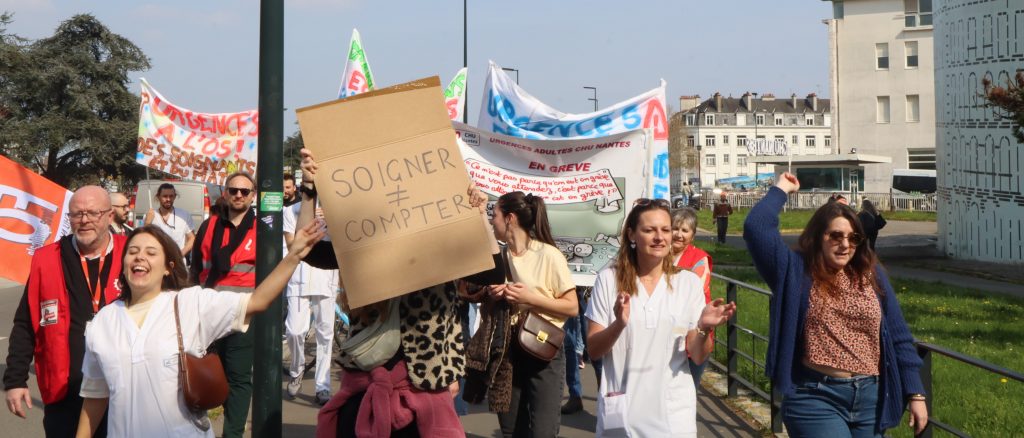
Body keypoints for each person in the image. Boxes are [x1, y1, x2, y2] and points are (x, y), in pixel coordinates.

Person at [295, 148, 505, 437]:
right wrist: (309, 191)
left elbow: (492, 273)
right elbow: (307, 249)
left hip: (424, 389)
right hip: (366, 386)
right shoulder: (363, 246)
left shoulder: (440, 247)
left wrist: (479, 215)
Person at [74, 222, 325, 437]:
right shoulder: (103, 321)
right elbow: (95, 396)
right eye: (132, 252)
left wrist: (294, 256)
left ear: (168, 267)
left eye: (151, 252)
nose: (140, 257)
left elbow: (257, 301)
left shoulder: (190, 303)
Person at [743, 172, 928, 437]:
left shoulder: (871, 274)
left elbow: (898, 336)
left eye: (853, 238)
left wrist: (916, 393)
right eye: (836, 236)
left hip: (872, 399)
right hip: (815, 397)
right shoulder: (795, 270)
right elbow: (757, 227)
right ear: (818, 236)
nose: (845, 245)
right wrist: (782, 188)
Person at [586, 198, 735, 437]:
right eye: (649, 230)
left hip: (673, 413)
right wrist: (618, 324)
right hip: (624, 412)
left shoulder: (688, 283)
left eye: (665, 230)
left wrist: (704, 328)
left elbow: (698, 355)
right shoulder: (609, 280)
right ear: (632, 235)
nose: (660, 237)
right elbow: (594, 350)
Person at [3, 186, 123, 437]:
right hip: (65, 392)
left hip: (122, 391)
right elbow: (25, 323)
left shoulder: (133, 253)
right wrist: (15, 379)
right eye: (77, 214)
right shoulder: (47, 258)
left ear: (110, 216)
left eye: (93, 213)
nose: (85, 220)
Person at [486, 191, 578, 438]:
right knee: (511, 429)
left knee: (542, 431)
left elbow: (572, 307)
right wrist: (495, 295)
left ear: (510, 218)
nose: (491, 221)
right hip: (508, 350)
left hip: (542, 348)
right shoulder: (501, 256)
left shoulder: (548, 255)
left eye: (495, 215)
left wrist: (530, 298)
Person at [188, 172, 258, 438]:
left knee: (238, 378)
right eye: (233, 190)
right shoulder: (208, 227)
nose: (239, 195)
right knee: (204, 374)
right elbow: (195, 269)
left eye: (244, 191)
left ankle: (232, 433)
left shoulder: (261, 229)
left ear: (252, 196)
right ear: (225, 193)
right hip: (208, 313)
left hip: (244, 315)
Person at [283, 196, 339, 406]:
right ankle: (297, 369)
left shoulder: (335, 208)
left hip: (326, 278)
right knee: (294, 331)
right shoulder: (291, 210)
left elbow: (343, 242)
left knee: (325, 333)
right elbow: (291, 245)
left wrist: (331, 221)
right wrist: (309, 224)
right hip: (299, 277)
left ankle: (323, 386)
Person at [671, 207, 714, 387]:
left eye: (685, 230)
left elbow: (692, 294)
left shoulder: (699, 258)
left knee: (687, 387)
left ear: (693, 235)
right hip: (665, 333)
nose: (679, 234)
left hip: (693, 330)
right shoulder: (659, 253)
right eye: (675, 228)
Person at [145, 183, 196, 254]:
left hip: (177, 259)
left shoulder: (184, 215)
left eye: (171, 196)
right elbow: (143, 239)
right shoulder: (150, 215)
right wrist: (147, 223)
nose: (168, 199)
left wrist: (181, 254)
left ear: (175, 197)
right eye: (165, 196)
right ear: (158, 197)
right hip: (157, 259)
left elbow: (192, 238)